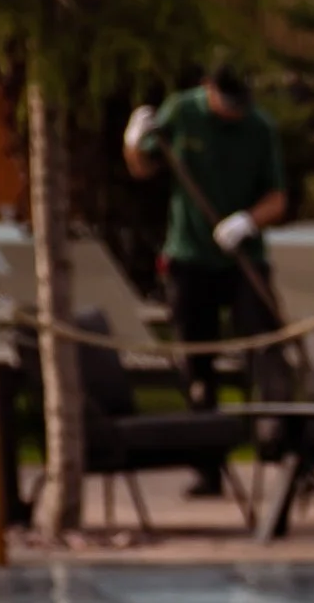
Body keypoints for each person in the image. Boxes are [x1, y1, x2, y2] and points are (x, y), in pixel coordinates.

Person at [124, 59, 289, 472]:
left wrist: (248, 221)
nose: (235, 109)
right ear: (207, 88)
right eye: (227, 101)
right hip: (190, 257)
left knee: (266, 345)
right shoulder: (182, 112)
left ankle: (277, 441)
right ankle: (207, 463)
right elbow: (142, 166)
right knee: (195, 360)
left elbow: (278, 198)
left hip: (242, 257)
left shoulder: (259, 128)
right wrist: (133, 140)